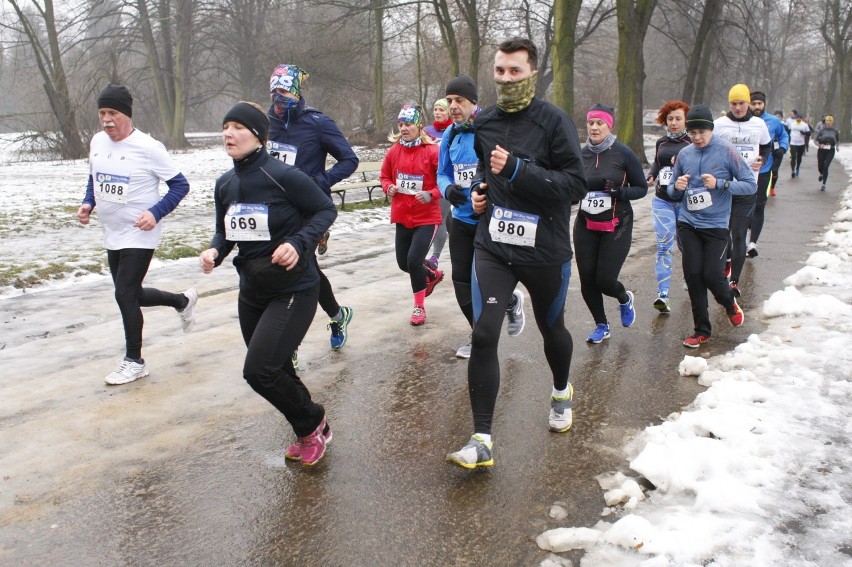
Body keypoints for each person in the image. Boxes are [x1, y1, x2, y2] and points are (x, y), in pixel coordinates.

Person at [446, 38, 588, 469]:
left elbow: (575, 186)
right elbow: (483, 177)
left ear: (532, 73)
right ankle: (481, 440)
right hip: (495, 246)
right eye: (500, 71)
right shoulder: (484, 122)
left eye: (515, 72)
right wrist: (476, 196)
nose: (505, 79)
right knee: (484, 332)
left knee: (552, 331)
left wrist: (519, 170)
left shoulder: (553, 121)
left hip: (545, 250)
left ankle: (561, 389)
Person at [199, 102, 337, 466]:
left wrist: (298, 242)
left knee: (258, 371)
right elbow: (224, 229)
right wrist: (215, 251)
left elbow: (325, 209)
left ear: (258, 135)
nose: (228, 133)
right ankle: (311, 429)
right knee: (275, 369)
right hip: (252, 291)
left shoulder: (283, 176)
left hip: (293, 288)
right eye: (225, 126)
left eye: (237, 127)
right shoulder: (225, 183)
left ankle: (312, 422)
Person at [77, 84, 196, 386]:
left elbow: (180, 186)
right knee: (133, 293)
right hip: (113, 232)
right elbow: (95, 178)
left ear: (126, 114)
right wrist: (88, 202)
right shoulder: (97, 142)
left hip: (140, 234)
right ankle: (181, 301)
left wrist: (155, 213)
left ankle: (134, 361)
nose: (106, 119)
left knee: (124, 293)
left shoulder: (148, 148)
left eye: (112, 113)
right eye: (102, 113)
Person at [267, 64, 357, 356]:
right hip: (276, 208)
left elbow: (349, 159)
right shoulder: (267, 123)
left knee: (297, 268)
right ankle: (337, 316)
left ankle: (288, 344)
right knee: (296, 269)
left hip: (309, 207)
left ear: (295, 91)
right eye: (273, 92)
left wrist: (319, 181)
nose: (277, 99)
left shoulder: (317, 122)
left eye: (283, 91)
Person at [436, 75, 526, 358]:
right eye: (449, 101)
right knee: (461, 283)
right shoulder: (450, 134)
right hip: (460, 220)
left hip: (487, 220)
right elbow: (442, 172)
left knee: (483, 283)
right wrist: (448, 189)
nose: (453, 106)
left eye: (459, 101)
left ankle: (485, 336)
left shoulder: (488, 129)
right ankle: (481, 330)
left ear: (473, 103)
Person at [668, 104, 756, 347]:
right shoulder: (685, 154)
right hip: (688, 224)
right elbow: (670, 189)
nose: (697, 138)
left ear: (711, 130)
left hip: (716, 226)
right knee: (694, 276)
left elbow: (750, 185)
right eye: (692, 132)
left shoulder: (727, 152)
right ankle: (701, 330)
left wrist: (721, 184)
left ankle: (729, 303)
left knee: (713, 276)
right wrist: (676, 188)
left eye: (701, 132)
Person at [575, 103, 648, 342]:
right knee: (587, 279)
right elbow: (571, 185)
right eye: (591, 123)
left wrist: (619, 192)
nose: (594, 128)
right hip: (585, 223)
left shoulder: (623, 153)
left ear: (609, 126)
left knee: (604, 280)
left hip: (617, 224)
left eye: (600, 123)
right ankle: (601, 325)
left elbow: (642, 188)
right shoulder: (580, 153)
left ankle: (624, 298)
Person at [380, 104, 444, 326]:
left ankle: (419, 307)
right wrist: (388, 187)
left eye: (408, 124)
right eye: (401, 124)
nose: (404, 128)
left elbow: (444, 181)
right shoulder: (394, 151)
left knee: (414, 261)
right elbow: (384, 176)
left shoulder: (432, 151)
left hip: (426, 217)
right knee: (403, 263)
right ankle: (432, 275)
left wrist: (431, 194)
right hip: (402, 215)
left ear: (418, 125)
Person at [713, 83, 771, 297]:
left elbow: (767, 145)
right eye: (734, 103)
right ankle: (726, 261)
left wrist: (762, 159)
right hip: (722, 188)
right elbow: (707, 147)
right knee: (723, 233)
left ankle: (734, 281)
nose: (737, 108)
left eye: (741, 103)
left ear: (748, 103)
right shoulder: (719, 124)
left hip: (747, 187)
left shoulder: (759, 124)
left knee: (738, 233)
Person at [646, 100, 691, 313]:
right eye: (670, 119)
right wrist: (652, 174)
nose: (673, 123)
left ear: (685, 120)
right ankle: (663, 295)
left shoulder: (692, 143)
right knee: (664, 245)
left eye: (678, 119)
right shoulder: (661, 143)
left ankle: (689, 278)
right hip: (662, 199)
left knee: (686, 246)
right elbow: (657, 162)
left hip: (685, 202)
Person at [746, 91, 788, 258]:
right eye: (754, 103)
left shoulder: (774, 121)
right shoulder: (743, 121)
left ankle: (752, 243)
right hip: (744, 172)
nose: (757, 106)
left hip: (764, 170)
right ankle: (741, 237)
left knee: (759, 205)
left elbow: (784, 135)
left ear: (764, 104)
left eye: (760, 103)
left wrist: (782, 148)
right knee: (743, 205)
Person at [424, 98, 452, 270]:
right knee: (431, 219)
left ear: (449, 112)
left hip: (446, 181)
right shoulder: (427, 131)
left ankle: (434, 258)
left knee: (439, 220)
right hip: (428, 181)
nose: (438, 112)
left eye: (442, 109)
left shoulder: (453, 130)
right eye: (435, 109)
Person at [814, 115, 840, 192]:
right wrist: (819, 145)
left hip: (830, 150)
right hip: (822, 150)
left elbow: (838, 140)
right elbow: (815, 140)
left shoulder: (835, 131)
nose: (828, 123)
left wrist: (837, 147)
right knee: (820, 166)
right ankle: (821, 173)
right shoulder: (821, 131)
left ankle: (823, 184)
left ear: (832, 122)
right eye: (827, 122)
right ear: (825, 122)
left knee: (826, 166)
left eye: (830, 122)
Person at [787, 111, 810, 177]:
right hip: (793, 143)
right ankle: (793, 170)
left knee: (799, 157)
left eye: (800, 118)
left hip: (801, 144)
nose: (798, 119)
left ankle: (797, 168)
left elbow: (809, 133)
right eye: (797, 117)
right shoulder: (792, 124)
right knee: (793, 157)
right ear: (795, 118)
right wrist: (788, 139)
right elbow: (788, 131)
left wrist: (804, 133)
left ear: (801, 118)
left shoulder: (804, 125)